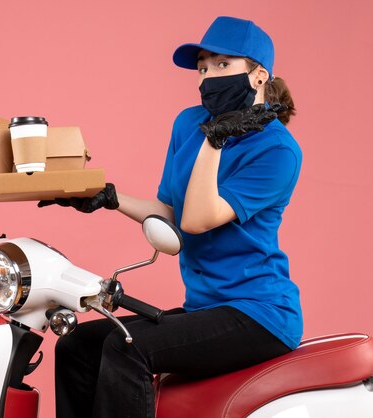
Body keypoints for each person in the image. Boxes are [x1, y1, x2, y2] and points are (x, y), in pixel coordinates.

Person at [38, 16, 303, 418]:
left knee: (128, 348)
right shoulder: (188, 124)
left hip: (258, 314)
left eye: (222, 65)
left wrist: (217, 140)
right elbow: (170, 214)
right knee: (77, 344)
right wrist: (107, 198)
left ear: (258, 75)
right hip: (206, 306)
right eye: (202, 68)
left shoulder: (278, 151)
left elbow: (197, 220)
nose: (208, 77)